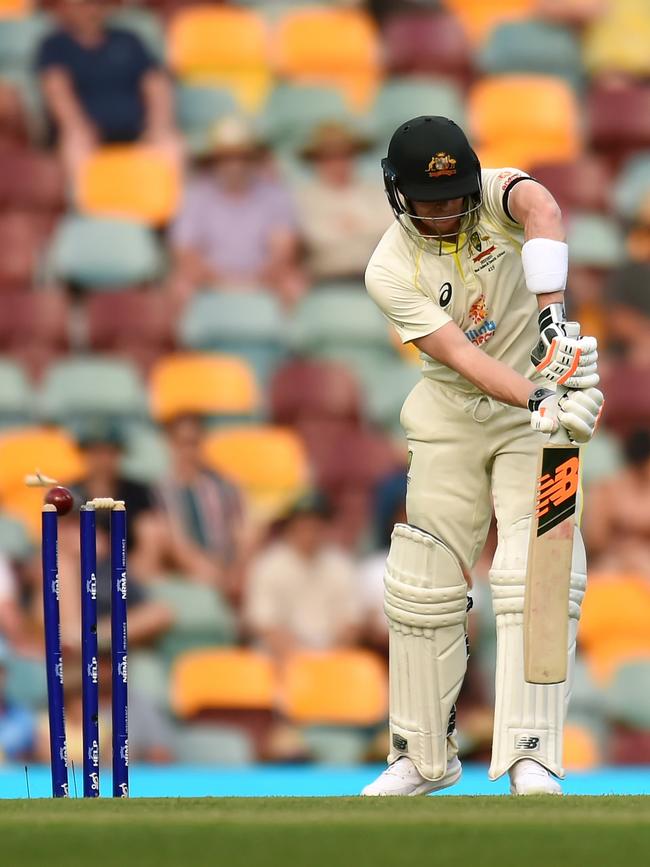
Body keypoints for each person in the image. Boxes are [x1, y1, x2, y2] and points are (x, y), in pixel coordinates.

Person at [362, 116, 603, 796]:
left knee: (542, 565)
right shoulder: (389, 267)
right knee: (424, 580)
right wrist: (541, 397)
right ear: (397, 193)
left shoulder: (495, 194)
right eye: (428, 201)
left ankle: (534, 754)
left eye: (453, 197)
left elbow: (543, 207)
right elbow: (462, 357)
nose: (443, 213)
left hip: (538, 408)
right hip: (455, 412)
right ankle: (419, 755)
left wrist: (552, 319)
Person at [36, 0, 179, 178]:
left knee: (169, 143)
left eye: (98, 4)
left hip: (136, 132)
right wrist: (77, 126)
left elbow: (156, 84)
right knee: (75, 144)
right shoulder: (55, 45)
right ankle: (83, 204)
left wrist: (158, 124)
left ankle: (168, 203)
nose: (92, 9)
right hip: (87, 133)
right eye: (84, 4)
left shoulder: (128, 39)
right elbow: (57, 89)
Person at [170, 116, 303, 306]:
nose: (235, 166)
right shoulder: (196, 195)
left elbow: (283, 252)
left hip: (264, 277)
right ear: (214, 161)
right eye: (227, 158)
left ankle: (288, 335)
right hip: (208, 278)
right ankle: (189, 335)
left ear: (253, 160)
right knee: (180, 286)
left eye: (242, 157)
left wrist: (258, 277)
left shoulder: (275, 194)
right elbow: (185, 252)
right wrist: (216, 278)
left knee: (294, 285)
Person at [244, 493, 362, 658]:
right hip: (279, 661)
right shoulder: (268, 565)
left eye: (316, 524)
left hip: (331, 659)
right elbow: (265, 624)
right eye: (303, 523)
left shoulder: (340, 564)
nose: (309, 530)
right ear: (290, 526)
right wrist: (301, 660)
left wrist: (327, 660)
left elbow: (351, 624)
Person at [156, 414, 248, 597]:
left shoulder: (224, 484)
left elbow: (242, 530)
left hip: (227, 563)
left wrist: (237, 567)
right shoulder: (161, 491)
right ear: (171, 445)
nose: (189, 450)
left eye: (194, 443)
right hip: (189, 570)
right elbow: (176, 542)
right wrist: (207, 568)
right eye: (183, 443)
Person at [295, 121, 391, 282]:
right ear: (317, 161)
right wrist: (364, 226)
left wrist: (347, 226)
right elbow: (316, 236)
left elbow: (391, 227)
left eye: (344, 156)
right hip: (325, 278)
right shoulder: (304, 197)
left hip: (375, 276)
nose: (338, 164)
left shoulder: (375, 192)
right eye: (329, 158)